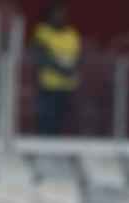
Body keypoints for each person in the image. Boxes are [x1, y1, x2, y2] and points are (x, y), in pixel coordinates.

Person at [32, 3, 81, 135]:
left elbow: (78, 57)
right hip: (49, 86)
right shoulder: (43, 32)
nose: (60, 17)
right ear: (50, 15)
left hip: (68, 86)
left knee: (63, 122)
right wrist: (61, 69)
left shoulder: (72, 34)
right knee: (47, 121)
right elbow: (42, 56)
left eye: (62, 14)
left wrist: (71, 70)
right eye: (56, 14)